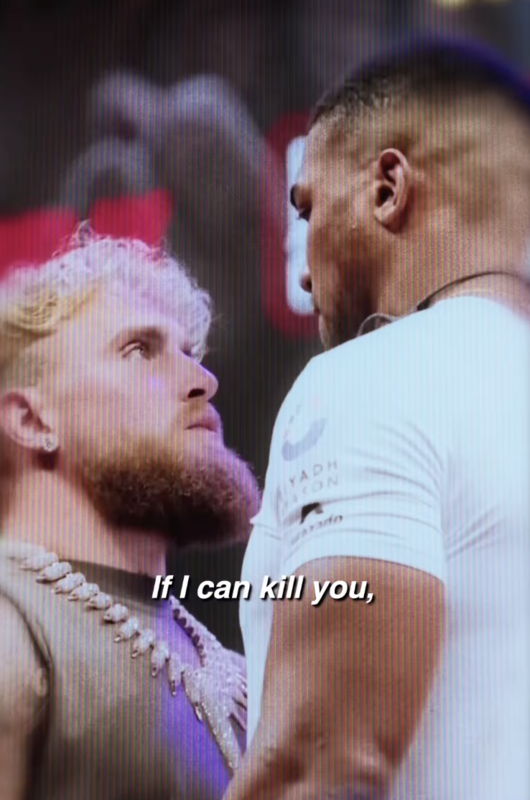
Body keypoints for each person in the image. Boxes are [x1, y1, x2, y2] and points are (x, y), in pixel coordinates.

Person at [225, 39, 530, 800]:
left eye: (306, 210)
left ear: (388, 189)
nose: (303, 272)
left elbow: (320, 769)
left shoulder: (371, 378)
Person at [0, 230, 261, 799]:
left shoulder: (238, 672)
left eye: (191, 355)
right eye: (140, 349)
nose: (204, 381)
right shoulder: (10, 624)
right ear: (31, 420)